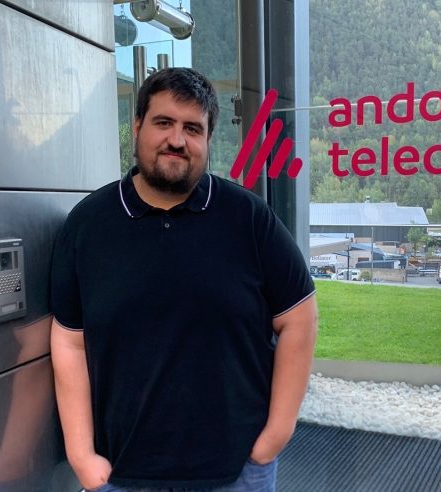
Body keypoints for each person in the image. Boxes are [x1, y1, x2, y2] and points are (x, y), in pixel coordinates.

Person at [50, 68, 318, 492]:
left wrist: (276, 435)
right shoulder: (88, 225)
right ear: (137, 126)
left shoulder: (249, 219)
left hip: (236, 473)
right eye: (164, 122)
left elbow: (299, 318)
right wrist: (81, 454)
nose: (177, 140)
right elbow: (69, 341)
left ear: (208, 139)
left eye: (193, 128)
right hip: (121, 475)